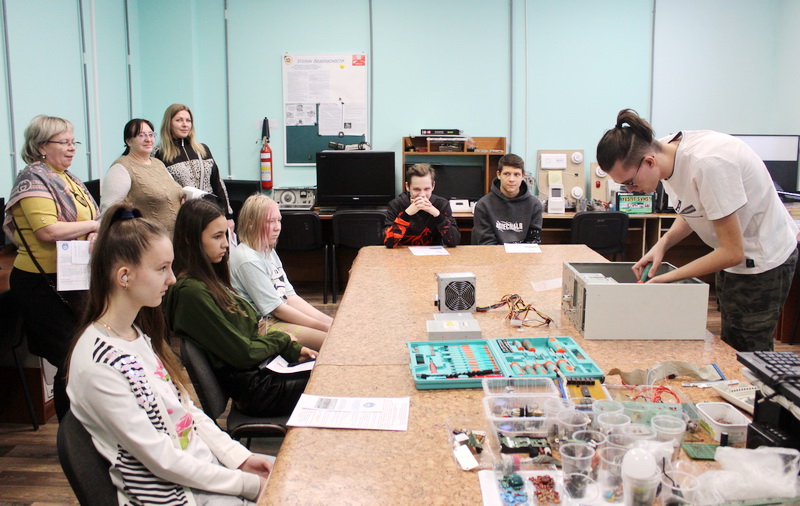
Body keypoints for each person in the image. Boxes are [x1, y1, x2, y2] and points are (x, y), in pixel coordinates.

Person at [66, 203, 270, 505]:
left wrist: (240, 459)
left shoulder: (135, 336)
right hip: (178, 496)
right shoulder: (98, 363)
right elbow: (162, 460)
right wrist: (248, 485)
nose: (172, 278)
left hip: (204, 476)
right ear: (124, 276)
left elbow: (186, 411)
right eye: (162, 268)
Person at [596, 108, 799, 352]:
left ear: (649, 162)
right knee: (731, 342)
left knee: (748, 349)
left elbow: (732, 252)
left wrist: (667, 278)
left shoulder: (709, 164)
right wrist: (662, 245)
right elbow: (693, 208)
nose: (630, 191)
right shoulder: (664, 153)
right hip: (733, 256)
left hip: (764, 258)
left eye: (630, 182)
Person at [165, 199, 315, 417]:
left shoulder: (208, 280)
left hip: (264, 371)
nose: (226, 244)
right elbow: (244, 353)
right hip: (259, 388)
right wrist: (282, 340)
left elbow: (246, 338)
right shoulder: (192, 292)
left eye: (225, 236)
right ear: (190, 239)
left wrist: (292, 350)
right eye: (217, 237)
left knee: (326, 369)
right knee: (331, 380)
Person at [3, 115, 99, 420]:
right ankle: (71, 432)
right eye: (64, 142)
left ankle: (86, 425)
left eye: (73, 142)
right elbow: (47, 231)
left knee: (83, 354)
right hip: (42, 284)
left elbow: (92, 216)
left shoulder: (67, 178)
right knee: (70, 360)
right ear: (42, 146)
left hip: (73, 278)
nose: (72, 148)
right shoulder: (33, 179)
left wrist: (94, 230)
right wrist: (93, 226)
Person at [230, 194, 332, 352]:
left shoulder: (267, 250)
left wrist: (330, 322)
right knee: (333, 341)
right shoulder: (248, 259)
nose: (277, 227)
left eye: (279, 220)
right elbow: (276, 309)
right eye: (270, 221)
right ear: (250, 223)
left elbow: (289, 296)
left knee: (336, 330)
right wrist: (324, 327)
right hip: (264, 326)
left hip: (277, 318)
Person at [154, 103, 234, 229]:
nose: (185, 124)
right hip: (183, 218)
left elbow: (218, 184)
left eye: (188, 120)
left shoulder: (202, 149)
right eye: (179, 120)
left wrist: (228, 216)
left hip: (211, 214)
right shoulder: (160, 154)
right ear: (169, 123)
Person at [100, 118, 184, 236]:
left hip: (175, 238)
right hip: (147, 240)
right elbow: (108, 212)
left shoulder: (158, 164)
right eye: (141, 135)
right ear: (129, 141)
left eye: (151, 134)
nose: (148, 139)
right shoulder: (121, 168)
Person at [471, 153, 543, 245]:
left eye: (516, 174)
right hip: (493, 253)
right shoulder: (484, 205)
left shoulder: (534, 205)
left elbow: (533, 242)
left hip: (523, 253)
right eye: (507, 174)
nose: (511, 179)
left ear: (523, 176)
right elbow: (487, 244)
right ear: (499, 175)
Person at [383, 163, 460, 247]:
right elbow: (389, 243)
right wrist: (407, 214)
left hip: (433, 253)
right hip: (402, 253)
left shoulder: (442, 204)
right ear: (407, 187)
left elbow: (454, 241)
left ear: (433, 186)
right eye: (417, 189)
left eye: (427, 189)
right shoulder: (396, 204)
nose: (422, 195)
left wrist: (437, 214)